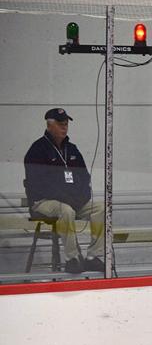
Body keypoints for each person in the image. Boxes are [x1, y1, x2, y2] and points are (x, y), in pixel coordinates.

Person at [23, 107, 105, 274]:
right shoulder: (37, 150)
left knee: (101, 208)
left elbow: (84, 177)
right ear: (49, 125)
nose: (64, 127)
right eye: (60, 124)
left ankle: (93, 256)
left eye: (66, 124)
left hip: (73, 201)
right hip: (43, 202)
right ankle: (72, 259)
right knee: (65, 210)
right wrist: (67, 198)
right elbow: (40, 184)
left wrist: (82, 197)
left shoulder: (72, 149)